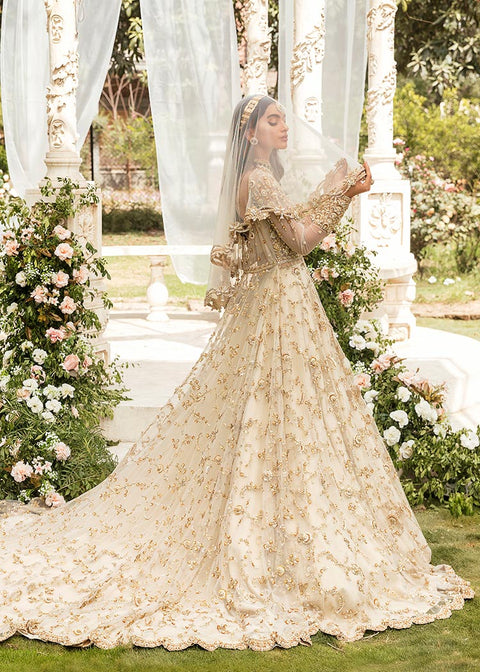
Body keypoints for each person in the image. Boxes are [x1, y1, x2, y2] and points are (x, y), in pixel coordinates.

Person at [0, 94, 474, 652]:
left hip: (280, 305)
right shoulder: (260, 180)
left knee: (281, 415)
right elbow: (300, 242)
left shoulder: (258, 180)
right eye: (273, 120)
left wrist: (334, 192)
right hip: (280, 307)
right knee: (283, 414)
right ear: (251, 134)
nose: (284, 127)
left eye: (283, 118)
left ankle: (284, 526)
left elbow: (283, 236)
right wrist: (343, 194)